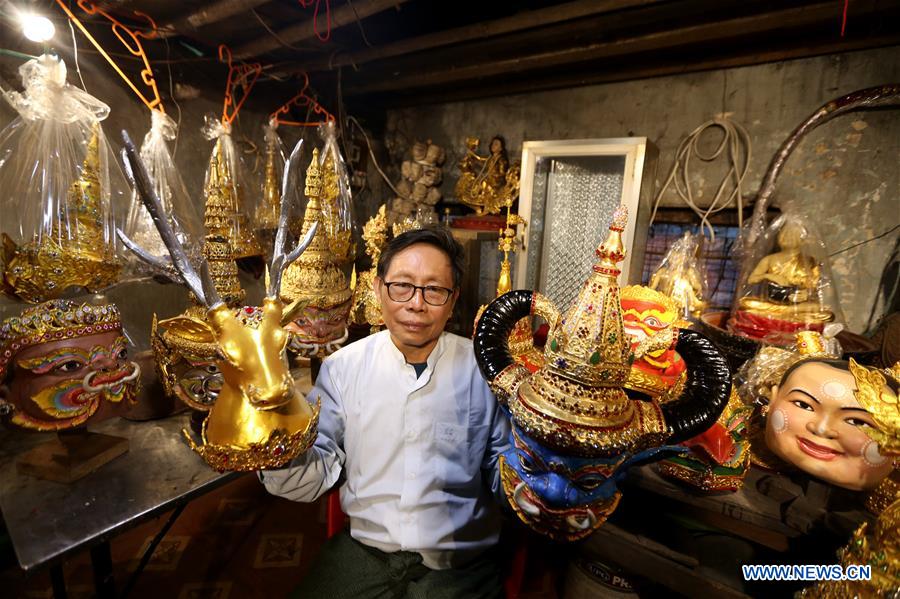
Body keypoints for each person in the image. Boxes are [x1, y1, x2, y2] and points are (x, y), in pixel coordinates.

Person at [259, 226, 511, 599]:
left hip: (459, 564)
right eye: (402, 286)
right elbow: (316, 471)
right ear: (378, 289)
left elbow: (505, 472)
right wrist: (273, 448)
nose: (416, 304)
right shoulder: (342, 369)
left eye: (434, 290)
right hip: (366, 551)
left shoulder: (485, 371)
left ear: (454, 299)